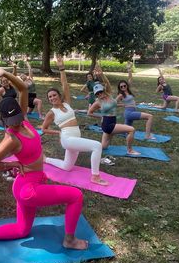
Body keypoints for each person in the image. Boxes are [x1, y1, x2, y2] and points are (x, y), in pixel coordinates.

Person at [0, 67, 88, 252]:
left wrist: (5, 73)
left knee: (22, 230)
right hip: (28, 190)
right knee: (76, 196)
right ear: (3, 120)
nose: (16, 124)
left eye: (18, 118)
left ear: (21, 111)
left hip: (29, 183)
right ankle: (70, 240)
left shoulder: (23, 119)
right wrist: (12, 164)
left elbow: (23, 89)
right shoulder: (11, 138)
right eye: (11, 122)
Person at [41, 57, 108, 186]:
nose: (52, 98)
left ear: (59, 95)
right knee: (97, 146)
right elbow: (44, 129)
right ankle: (95, 176)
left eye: (54, 95)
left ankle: (46, 159)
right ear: (48, 100)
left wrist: (62, 69)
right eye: (50, 97)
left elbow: (65, 85)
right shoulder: (51, 112)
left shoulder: (66, 103)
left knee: (67, 166)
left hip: (75, 137)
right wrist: (58, 133)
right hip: (67, 139)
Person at [88, 80, 140, 155]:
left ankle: (87, 146)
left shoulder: (109, 96)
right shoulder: (98, 102)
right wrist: (101, 116)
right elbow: (89, 113)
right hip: (108, 125)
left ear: (103, 90)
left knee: (103, 146)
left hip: (111, 122)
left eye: (100, 92)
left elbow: (108, 83)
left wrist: (123, 105)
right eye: (97, 94)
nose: (99, 94)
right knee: (131, 130)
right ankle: (130, 150)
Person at [117, 62, 155, 139]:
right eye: (121, 87)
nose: (123, 87)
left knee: (125, 131)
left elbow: (130, 78)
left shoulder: (128, 91)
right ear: (120, 88)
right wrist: (123, 105)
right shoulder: (121, 95)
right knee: (150, 116)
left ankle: (114, 130)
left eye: (124, 85)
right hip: (129, 113)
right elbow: (113, 104)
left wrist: (129, 69)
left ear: (126, 86)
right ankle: (147, 135)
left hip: (131, 112)